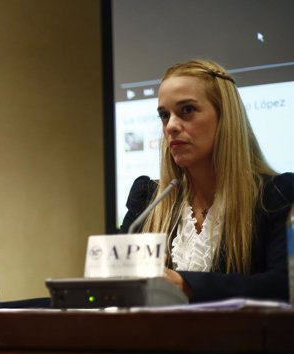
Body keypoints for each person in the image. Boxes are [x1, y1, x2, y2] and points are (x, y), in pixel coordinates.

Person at [119, 59, 294, 302]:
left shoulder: (279, 196)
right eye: (164, 115)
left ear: (225, 117)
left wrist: (185, 284)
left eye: (187, 110)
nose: (170, 126)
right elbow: (112, 286)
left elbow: (283, 286)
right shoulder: (148, 200)